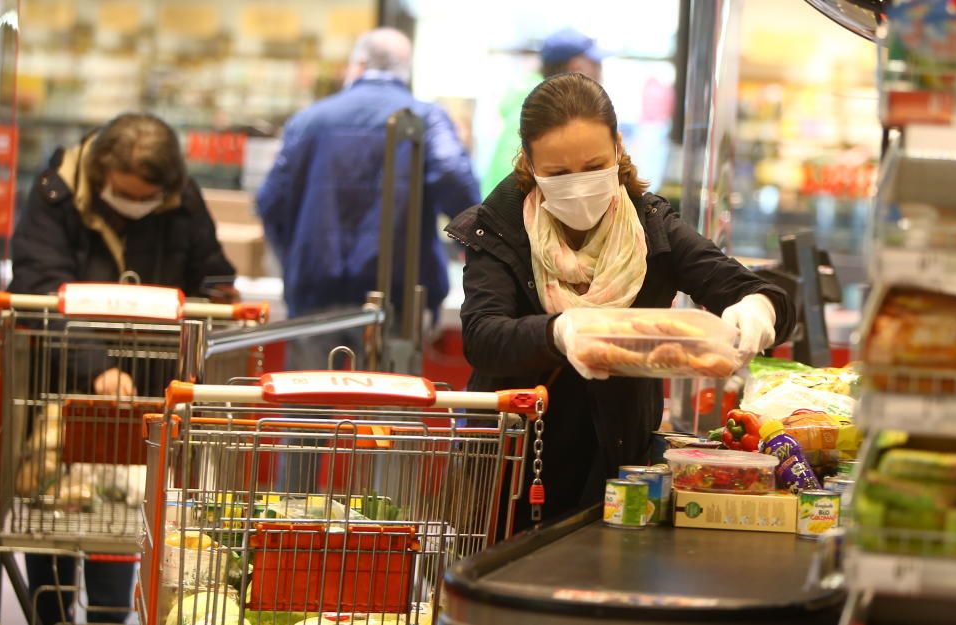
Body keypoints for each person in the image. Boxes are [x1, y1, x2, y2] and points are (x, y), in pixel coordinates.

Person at [447, 73, 795, 532]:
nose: (579, 185)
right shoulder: (499, 231)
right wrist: (561, 332)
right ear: (530, 165)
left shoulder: (653, 231)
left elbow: (761, 293)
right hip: (508, 474)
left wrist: (758, 310)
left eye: (593, 166)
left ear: (617, 148)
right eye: (558, 174)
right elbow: (483, 336)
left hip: (616, 473)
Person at [9, 112, 236, 624]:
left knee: (122, 518)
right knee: (52, 519)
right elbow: (40, 286)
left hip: (148, 397)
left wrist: (219, 295)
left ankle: (108, 614)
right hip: (62, 389)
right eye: (128, 195)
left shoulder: (181, 196)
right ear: (100, 173)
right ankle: (51, 612)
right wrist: (96, 367)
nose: (138, 207)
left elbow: (212, 268)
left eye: (147, 198)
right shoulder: (56, 195)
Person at [257, 27, 480, 366]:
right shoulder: (423, 119)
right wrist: (471, 250)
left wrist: (294, 260)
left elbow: (270, 201)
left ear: (358, 63)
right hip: (399, 294)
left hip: (316, 291)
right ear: (404, 69)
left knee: (306, 407)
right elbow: (455, 182)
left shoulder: (310, 120)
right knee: (386, 409)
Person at [483, 28, 605, 198]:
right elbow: (514, 172)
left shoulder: (528, 96)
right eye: (596, 65)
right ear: (576, 67)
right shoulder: (547, 108)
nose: (600, 75)